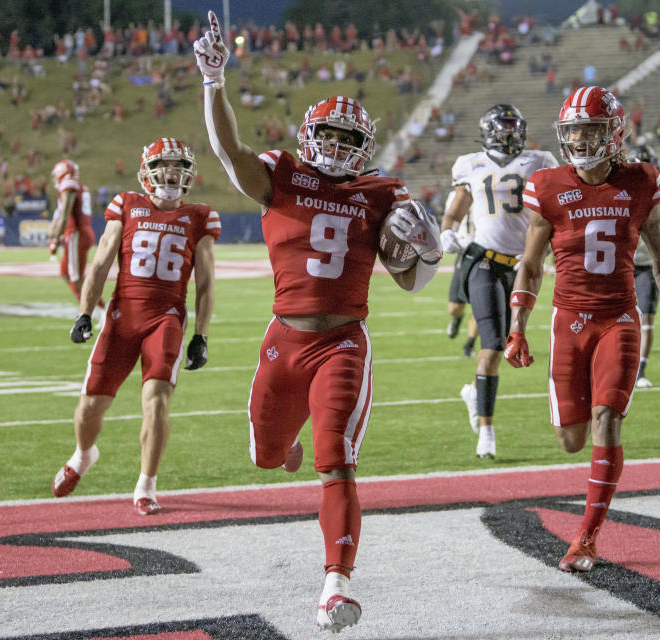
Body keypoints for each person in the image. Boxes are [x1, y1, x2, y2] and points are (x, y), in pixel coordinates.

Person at [193, 11, 442, 633]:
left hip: (341, 343)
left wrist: (431, 254)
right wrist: (213, 82)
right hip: (283, 340)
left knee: (338, 460)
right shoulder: (281, 174)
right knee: (266, 455)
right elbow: (229, 150)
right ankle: (287, 443)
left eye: (345, 140)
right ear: (309, 136)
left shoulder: (382, 193)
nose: (334, 148)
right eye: (325, 136)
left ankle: (335, 585)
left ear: (364, 146)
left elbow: (410, 280)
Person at [504, 86, 660, 573]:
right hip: (568, 321)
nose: (581, 140)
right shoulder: (547, 185)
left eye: (590, 130)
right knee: (571, 438)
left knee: (606, 419)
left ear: (613, 131)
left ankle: (586, 537)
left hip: (619, 318)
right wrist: (517, 327)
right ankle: (589, 480)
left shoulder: (642, 181)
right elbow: (530, 265)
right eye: (573, 132)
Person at [50, 138, 219, 515]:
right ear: (147, 170)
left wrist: (201, 336)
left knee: (157, 402)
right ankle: (83, 455)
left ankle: (146, 484)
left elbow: (205, 283)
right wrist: (83, 313)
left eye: (180, 166)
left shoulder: (200, 216)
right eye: (164, 165)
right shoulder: (126, 206)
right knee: (89, 407)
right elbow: (100, 263)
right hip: (121, 317)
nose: (173, 172)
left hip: (166, 319)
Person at [439, 104, 557, 459]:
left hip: (521, 266)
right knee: (491, 345)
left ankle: (475, 392)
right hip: (483, 263)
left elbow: (554, 206)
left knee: (508, 344)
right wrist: (447, 232)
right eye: (502, 126)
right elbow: (455, 210)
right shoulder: (470, 163)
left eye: (513, 126)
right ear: (489, 130)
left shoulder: (541, 160)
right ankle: (487, 432)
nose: (508, 133)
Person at [626, 144, 660, 388]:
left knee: (646, 318)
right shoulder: (616, 188)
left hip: (647, 262)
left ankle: (640, 371)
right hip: (622, 262)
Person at [46, 160, 105, 320]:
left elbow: (64, 215)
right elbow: (59, 215)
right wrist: (53, 235)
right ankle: (89, 308)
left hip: (76, 234)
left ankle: (102, 310)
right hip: (78, 233)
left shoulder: (69, 185)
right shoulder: (78, 186)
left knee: (77, 279)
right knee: (65, 272)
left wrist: (56, 238)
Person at [443, 190, 479, 358]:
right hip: (464, 252)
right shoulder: (454, 195)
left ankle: (470, 343)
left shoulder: (487, 190)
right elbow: (450, 219)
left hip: (485, 252)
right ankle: (457, 319)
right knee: (455, 307)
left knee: (480, 306)